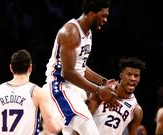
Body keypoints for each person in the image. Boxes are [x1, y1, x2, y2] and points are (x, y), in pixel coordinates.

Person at [43, 0, 120, 134]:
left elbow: (81, 67)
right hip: (60, 88)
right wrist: (99, 90)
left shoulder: (87, 32)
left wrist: (104, 82)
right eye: (103, 15)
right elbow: (68, 73)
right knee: (90, 131)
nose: (106, 20)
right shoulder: (70, 32)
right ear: (91, 14)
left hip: (75, 89)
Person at [0, 49, 61, 135]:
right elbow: (52, 128)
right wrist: (63, 120)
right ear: (30, 68)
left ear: (11, 68)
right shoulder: (37, 92)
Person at [87, 57, 146, 135]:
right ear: (121, 75)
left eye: (136, 76)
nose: (133, 78)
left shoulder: (136, 110)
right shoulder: (103, 92)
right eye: (129, 74)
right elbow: (85, 119)